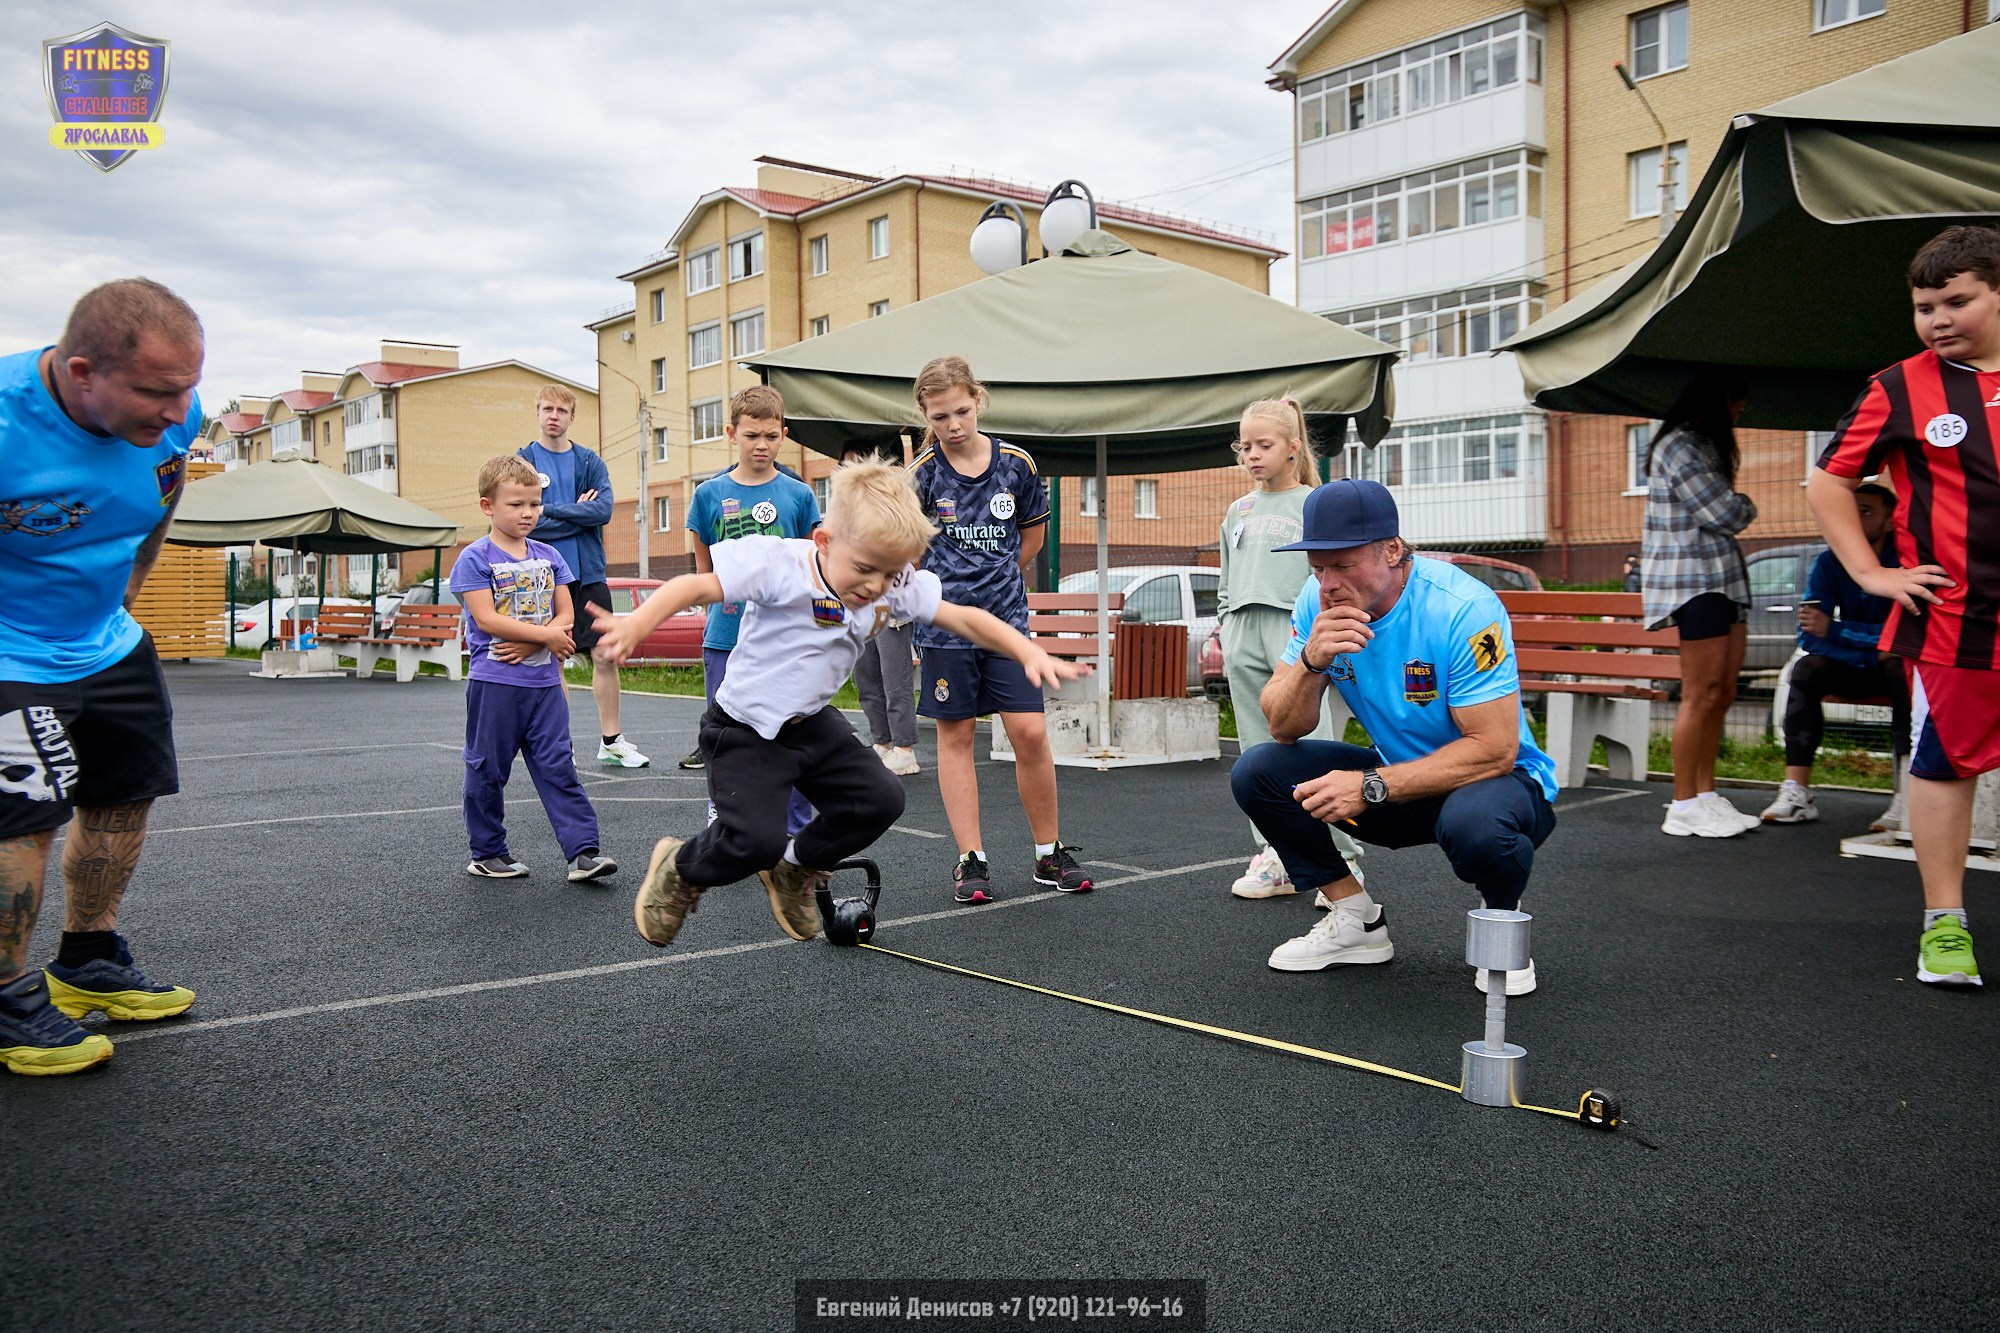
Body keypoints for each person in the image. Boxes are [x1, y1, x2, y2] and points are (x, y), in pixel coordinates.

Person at [592, 460, 1088, 948]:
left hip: (811, 725)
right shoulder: (781, 564)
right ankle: (679, 870)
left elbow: (964, 618)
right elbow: (696, 585)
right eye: (865, 569)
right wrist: (637, 623)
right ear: (825, 543)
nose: (875, 586)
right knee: (753, 842)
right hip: (744, 728)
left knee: (881, 800)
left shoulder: (891, 583)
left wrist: (1026, 648)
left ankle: (797, 868)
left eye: (891, 573)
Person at [1228, 479, 1559, 995]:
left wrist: (1370, 786)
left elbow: (1495, 749)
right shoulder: (1315, 604)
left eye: (1343, 564)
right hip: (1402, 783)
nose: (1328, 582)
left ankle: (1501, 928)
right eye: (1317, 566)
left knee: (1478, 825)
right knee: (1260, 770)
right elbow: (1282, 724)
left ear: (1393, 550)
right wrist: (1313, 662)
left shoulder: (1463, 607)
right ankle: (1355, 919)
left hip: (1501, 783)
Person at [0, 278, 204, 1076]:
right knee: (23, 818)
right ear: (83, 372)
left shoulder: (175, 414)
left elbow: (163, 493)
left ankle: (86, 959)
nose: (178, 407)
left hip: (108, 641)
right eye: (157, 390)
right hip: (9, 651)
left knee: (123, 796)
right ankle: (10, 1000)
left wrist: (131, 589)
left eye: (187, 385)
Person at [1809, 224, 2000, 989]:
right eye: (1926, 307)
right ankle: (1944, 923)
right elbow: (1828, 482)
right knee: (1946, 762)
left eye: (1958, 300)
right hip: (1957, 617)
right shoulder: (1900, 386)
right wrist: (1871, 570)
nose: (1940, 318)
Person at [908, 355, 1089, 902]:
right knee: (956, 735)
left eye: (962, 411)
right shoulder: (920, 475)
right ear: (925, 414)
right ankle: (970, 859)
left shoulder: (1017, 464)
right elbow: (908, 553)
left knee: (1029, 733)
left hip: (1008, 624)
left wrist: (997, 581)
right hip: (945, 631)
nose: (954, 424)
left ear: (979, 400)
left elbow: (1029, 542)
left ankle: (1047, 853)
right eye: (940, 417)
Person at [1217, 397, 1365, 901]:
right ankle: (1275, 852)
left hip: (1293, 630)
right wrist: (1226, 623)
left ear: (1292, 447)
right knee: (1257, 748)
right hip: (1242, 629)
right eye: (1245, 446)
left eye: (1265, 445)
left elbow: (1329, 575)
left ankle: (1342, 858)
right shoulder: (1238, 509)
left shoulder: (1312, 503)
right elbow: (1225, 578)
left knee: (1310, 746)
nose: (1253, 455)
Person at [450, 455, 617, 883]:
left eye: (535, 504)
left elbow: (567, 615)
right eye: (516, 505)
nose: (527, 513)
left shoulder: (549, 556)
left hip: (545, 684)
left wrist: (532, 640)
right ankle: (487, 852)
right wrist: (543, 637)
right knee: (487, 767)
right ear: (488, 506)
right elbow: (485, 620)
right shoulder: (475, 558)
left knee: (559, 766)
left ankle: (583, 853)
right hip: (497, 684)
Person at [684, 388, 821, 836]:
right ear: (731, 435)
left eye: (770, 436)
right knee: (727, 736)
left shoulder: (800, 495)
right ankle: (727, 818)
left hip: (786, 641)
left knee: (791, 734)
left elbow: (812, 566)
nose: (760, 445)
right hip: (726, 636)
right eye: (750, 436)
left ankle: (796, 827)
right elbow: (704, 571)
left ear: (784, 436)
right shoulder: (708, 494)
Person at [1640, 372, 1762, 839]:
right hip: (1694, 583)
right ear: (1720, 401)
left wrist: (1736, 503)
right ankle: (1684, 802)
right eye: (1737, 405)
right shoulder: (1681, 444)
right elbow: (1723, 512)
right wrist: (1745, 504)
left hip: (1722, 580)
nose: (1738, 414)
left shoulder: (1700, 445)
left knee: (1723, 691)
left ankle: (1706, 796)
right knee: (1701, 693)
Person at [515, 386, 647, 769]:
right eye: (546, 409)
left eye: (561, 410)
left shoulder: (589, 461)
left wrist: (550, 511)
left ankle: (611, 740)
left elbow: (603, 511)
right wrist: (574, 511)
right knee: (553, 659)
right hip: (546, 577)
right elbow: (528, 522)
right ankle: (560, 747)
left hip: (588, 574)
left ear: (572, 416)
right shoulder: (523, 462)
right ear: (537, 413)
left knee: (606, 656)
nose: (553, 416)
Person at [1761, 484, 1908, 826]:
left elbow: (1903, 637)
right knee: (1806, 669)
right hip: (1866, 663)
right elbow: (1811, 635)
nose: (1854, 518)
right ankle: (1797, 794)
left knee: (1901, 667)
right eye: (1850, 509)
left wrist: (1837, 630)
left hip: (1899, 670)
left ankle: (1907, 797)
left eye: (1866, 511)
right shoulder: (1828, 562)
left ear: (1890, 522)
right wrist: (1868, 647)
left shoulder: (1905, 562)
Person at [842, 441, 920, 777]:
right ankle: (882, 741)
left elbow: (912, 552)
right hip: (862, 609)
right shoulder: (848, 513)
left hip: (893, 610)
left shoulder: (895, 507)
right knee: (868, 679)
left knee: (895, 680)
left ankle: (904, 747)